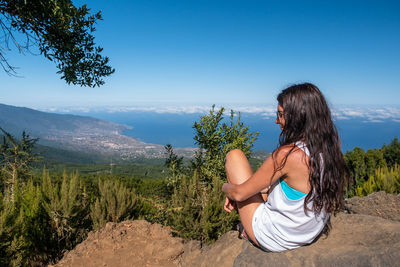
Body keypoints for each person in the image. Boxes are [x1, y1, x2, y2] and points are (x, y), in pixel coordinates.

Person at [222, 83, 347, 252]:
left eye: (280, 115)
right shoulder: (329, 148)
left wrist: (227, 189)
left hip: (275, 237)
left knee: (234, 156)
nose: (276, 120)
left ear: (298, 116)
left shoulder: (288, 155)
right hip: (308, 232)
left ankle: (247, 230)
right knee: (257, 189)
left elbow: (239, 193)